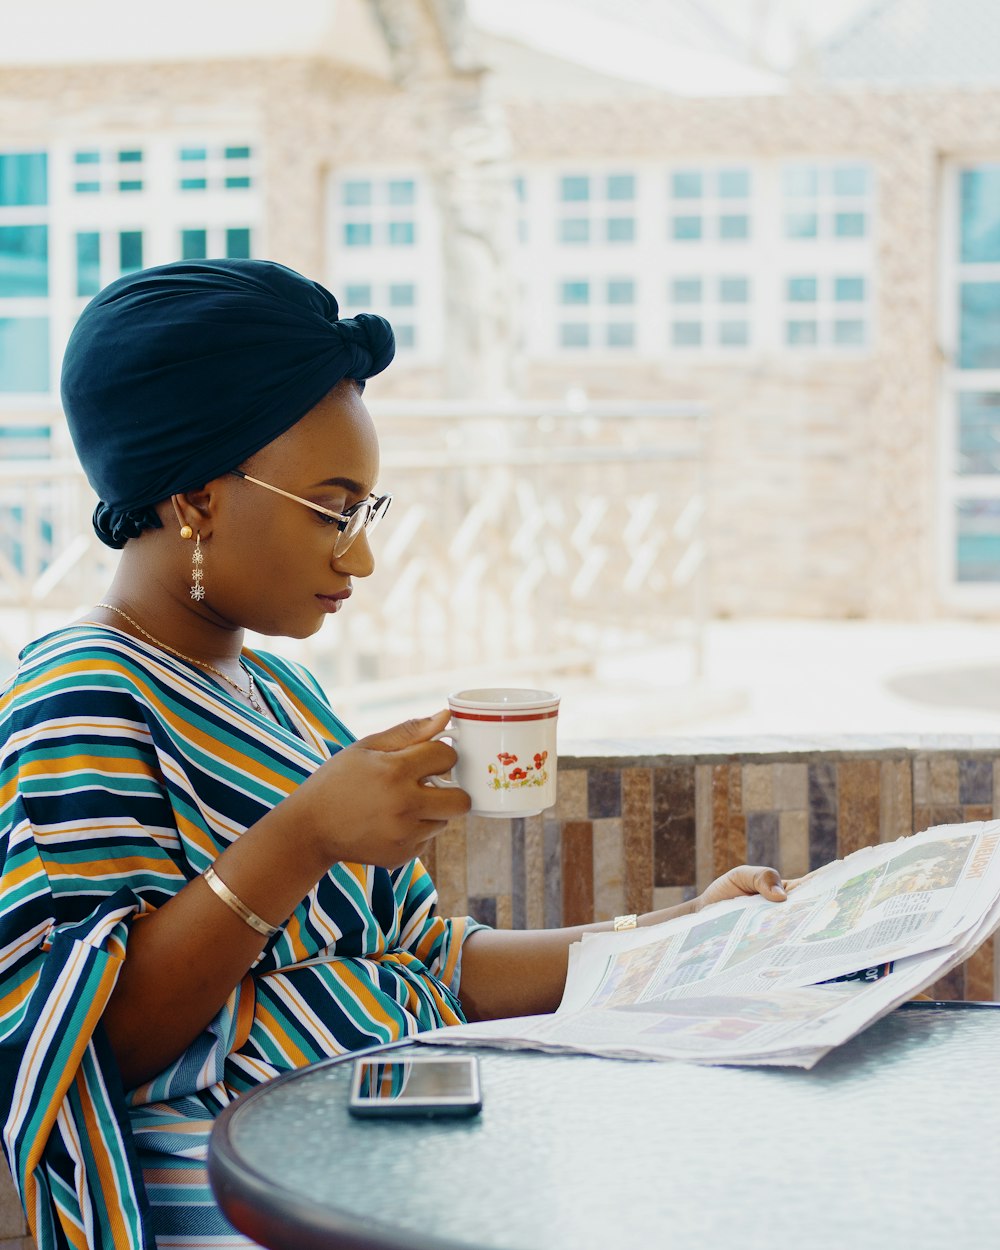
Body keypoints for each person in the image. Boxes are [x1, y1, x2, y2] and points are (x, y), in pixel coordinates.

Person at [0, 259, 788, 1250]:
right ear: (197, 497)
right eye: (333, 510)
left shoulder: (285, 698)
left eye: (365, 513)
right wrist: (309, 831)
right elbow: (93, 1041)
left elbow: (435, 962)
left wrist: (679, 934)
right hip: (249, 1195)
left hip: (391, 1141)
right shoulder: (79, 696)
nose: (359, 557)